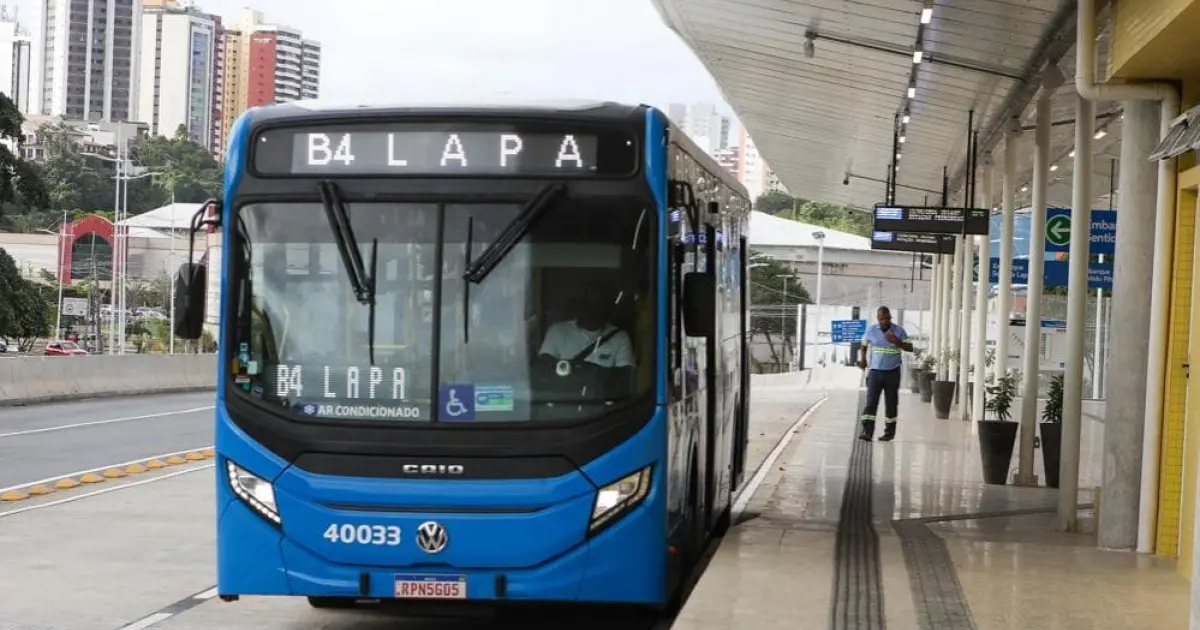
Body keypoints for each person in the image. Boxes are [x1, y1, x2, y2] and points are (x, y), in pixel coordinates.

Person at [537, 286, 635, 374]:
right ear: (580, 305)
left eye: (598, 304)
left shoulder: (620, 337)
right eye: (588, 303)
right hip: (564, 393)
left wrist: (592, 371)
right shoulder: (557, 331)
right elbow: (543, 366)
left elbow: (626, 375)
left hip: (603, 393)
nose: (592, 309)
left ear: (607, 308)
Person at [857, 306, 914, 442]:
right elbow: (864, 345)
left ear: (890, 318)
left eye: (887, 318)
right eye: (882, 319)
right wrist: (863, 359)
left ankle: (889, 433)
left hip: (892, 373)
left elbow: (910, 348)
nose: (885, 321)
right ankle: (867, 432)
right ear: (878, 318)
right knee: (871, 403)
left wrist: (897, 341)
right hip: (875, 372)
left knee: (891, 404)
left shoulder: (899, 331)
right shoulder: (871, 330)